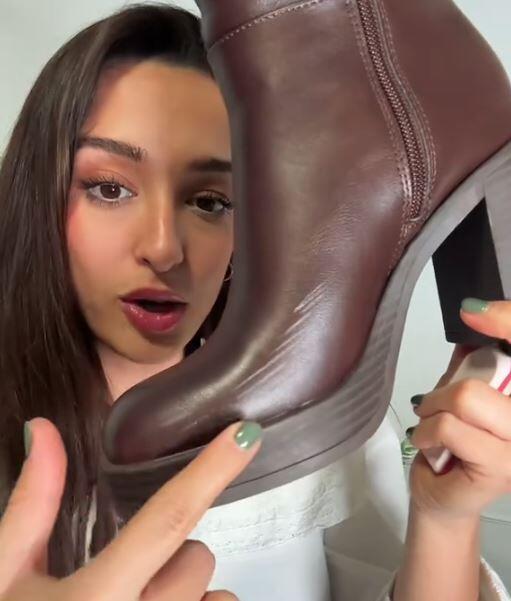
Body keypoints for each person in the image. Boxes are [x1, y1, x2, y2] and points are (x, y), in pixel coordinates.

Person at [0, 4, 509, 600]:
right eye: (110, 189)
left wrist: (444, 517)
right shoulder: (314, 389)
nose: (164, 249)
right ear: (39, 197)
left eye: (211, 201)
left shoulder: (317, 405)